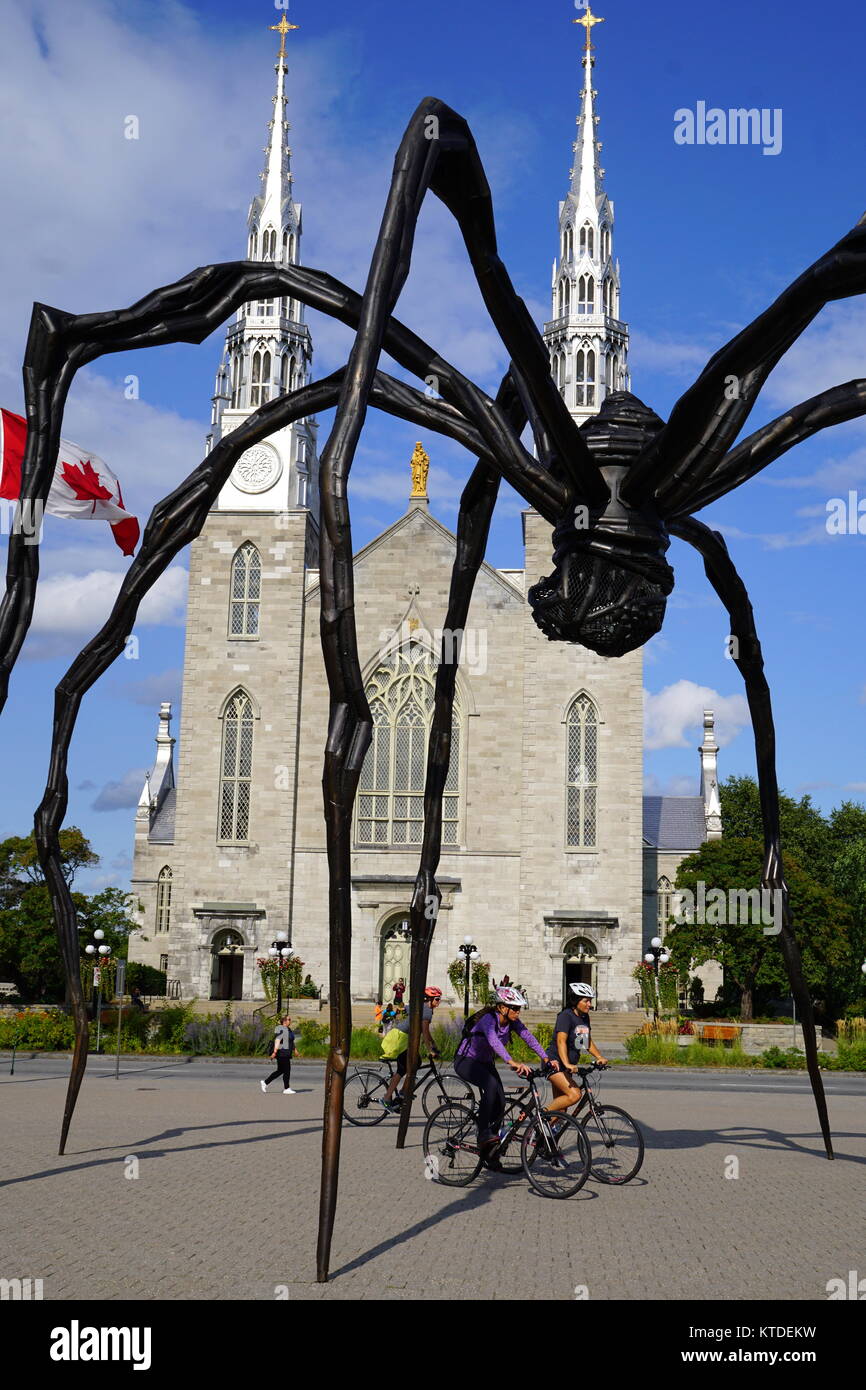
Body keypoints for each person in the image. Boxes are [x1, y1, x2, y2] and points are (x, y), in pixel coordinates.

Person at [454, 986, 558, 1169]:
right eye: (514, 1008)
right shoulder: (488, 1019)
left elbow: (528, 1037)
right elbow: (494, 1041)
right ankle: (483, 1134)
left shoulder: (513, 1022)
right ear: (502, 1007)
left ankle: (491, 1150)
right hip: (466, 1061)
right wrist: (512, 1061)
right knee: (491, 1088)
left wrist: (546, 1058)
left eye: (519, 1008)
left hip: (485, 1063)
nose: (518, 1012)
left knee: (501, 1101)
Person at [545, 983, 608, 1114]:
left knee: (561, 1110)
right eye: (586, 1001)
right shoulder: (565, 1016)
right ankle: (539, 1117)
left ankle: (539, 1132)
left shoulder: (584, 1017)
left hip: (568, 1066)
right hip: (555, 1063)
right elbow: (561, 1041)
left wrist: (599, 1057)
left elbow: (585, 1042)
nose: (589, 1004)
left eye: (590, 1001)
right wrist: (567, 1063)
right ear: (575, 1001)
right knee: (575, 1095)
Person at [382, 986, 442, 1109]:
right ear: (429, 999)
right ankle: (387, 1098)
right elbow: (424, 1032)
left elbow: (425, 1032)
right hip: (400, 1039)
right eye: (437, 999)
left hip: (401, 1038)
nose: (438, 1002)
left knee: (414, 1063)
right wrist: (430, 1050)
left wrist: (433, 1043)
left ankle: (403, 1092)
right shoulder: (426, 1011)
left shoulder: (423, 1008)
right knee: (404, 1067)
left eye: (439, 999)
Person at [260, 1014, 297, 1094]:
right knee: (287, 1071)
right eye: (289, 1019)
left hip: (286, 1053)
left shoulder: (288, 1029)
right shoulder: (281, 1029)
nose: (290, 1021)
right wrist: (274, 1052)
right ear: (284, 1021)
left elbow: (291, 1041)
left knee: (280, 1071)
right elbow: (277, 1041)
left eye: (290, 1019)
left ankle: (265, 1083)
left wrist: (295, 1049)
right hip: (282, 1053)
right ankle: (286, 1088)